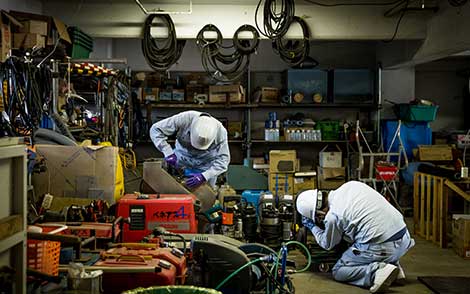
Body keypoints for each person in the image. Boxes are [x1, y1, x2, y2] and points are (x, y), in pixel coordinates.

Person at [296, 181, 415, 293]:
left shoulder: (333, 216)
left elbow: (327, 244)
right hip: (404, 237)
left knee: (339, 270)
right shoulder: (350, 185)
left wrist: (312, 226)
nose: (320, 219)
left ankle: (378, 271)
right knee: (362, 237)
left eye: (318, 217)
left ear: (318, 212)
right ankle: (395, 267)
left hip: (383, 246)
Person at [150, 110, 230, 188]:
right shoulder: (184, 119)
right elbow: (156, 129)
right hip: (180, 162)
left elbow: (224, 160)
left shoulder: (221, 132)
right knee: (175, 193)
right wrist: (167, 151)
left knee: (206, 198)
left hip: (205, 167)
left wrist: (205, 176)